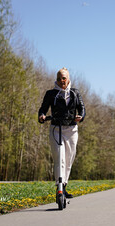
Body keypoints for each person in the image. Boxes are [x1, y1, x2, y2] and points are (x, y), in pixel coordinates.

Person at [38, 67, 85, 198]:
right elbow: (43, 109)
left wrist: (81, 116)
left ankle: (63, 186)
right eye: (59, 79)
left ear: (68, 79)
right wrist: (42, 115)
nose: (61, 81)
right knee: (60, 159)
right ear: (56, 80)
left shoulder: (75, 93)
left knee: (69, 159)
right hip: (56, 128)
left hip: (71, 130)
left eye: (63, 78)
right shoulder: (51, 94)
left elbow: (82, 109)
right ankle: (59, 187)